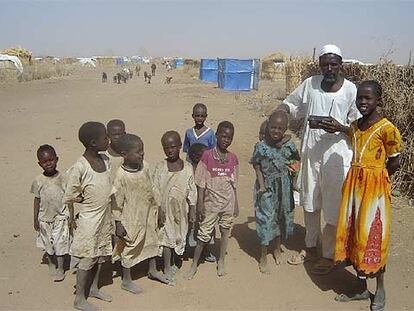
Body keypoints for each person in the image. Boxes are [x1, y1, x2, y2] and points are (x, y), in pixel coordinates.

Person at [279, 44, 360, 275]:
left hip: (337, 157)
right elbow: (292, 103)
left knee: (334, 207)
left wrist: (340, 127)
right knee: (310, 202)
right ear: (320, 65)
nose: (329, 68)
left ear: (341, 65)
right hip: (311, 152)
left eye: (334, 64)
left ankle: (328, 254)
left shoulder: (351, 90)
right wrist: (281, 110)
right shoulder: (311, 84)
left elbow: (359, 127)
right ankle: (310, 247)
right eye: (325, 64)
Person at [333, 81, 401, 311]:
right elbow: (349, 132)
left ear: (378, 101)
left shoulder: (387, 128)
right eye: (360, 98)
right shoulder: (355, 125)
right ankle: (361, 288)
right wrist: (336, 126)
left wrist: (377, 179)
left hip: (374, 191)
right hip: (354, 187)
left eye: (368, 98)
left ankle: (380, 289)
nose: (363, 102)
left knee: (374, 236)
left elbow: (395, 161)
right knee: (354, 233)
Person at [64, 122, 113, 311]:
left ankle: (93, 288)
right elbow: (69, 194)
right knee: (87, 258)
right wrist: (83, 198)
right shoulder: (80, 167)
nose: (108, 140)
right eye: (105, 138)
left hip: (104, 218)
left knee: (101, 255)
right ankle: (79, 299)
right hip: (89, 221)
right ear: (93, 142)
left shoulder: (106, 160)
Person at [112, 134, 169, 294]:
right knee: (131, 246)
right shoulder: (121, 175)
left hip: (148, 213)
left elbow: (152, 188)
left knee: (152, 240)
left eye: (142, 150)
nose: (142, 154)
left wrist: (158, 208)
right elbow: (117, 201)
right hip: (132, 217)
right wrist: (118, 222)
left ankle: (152, 270)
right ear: (124, 154)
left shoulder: (145, 166)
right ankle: (126, 280)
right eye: (138, 151)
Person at [187, 121, 239, 279]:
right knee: (203, 236)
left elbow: (234, 183)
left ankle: (221, 260)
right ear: (216, 135)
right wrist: (200, 204)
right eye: (223, 136)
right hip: (211, 204)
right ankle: (194, 264)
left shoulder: (233, 159)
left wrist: (236, 204)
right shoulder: (207, 156)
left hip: (227, 204)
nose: (226, 140)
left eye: (229, 137)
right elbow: (201, 183)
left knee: (224, 232)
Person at [250, 112, 300, 273]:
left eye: (280, 128)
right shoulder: (262, 147)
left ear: (285, 129)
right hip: (266, 188)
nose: (276, 131)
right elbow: (256, 165)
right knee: (266, 219)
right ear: (267, 127)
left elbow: (296, 159)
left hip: (284, 187)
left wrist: (293, 178)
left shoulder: (289, 146)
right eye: (273, 127)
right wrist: (262, 184)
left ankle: (277, 248)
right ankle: (263, 256)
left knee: (280, 217)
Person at [152, 131, 197, 283]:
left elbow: (191, 190)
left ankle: (174, 261)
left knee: (179, 235)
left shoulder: (187, 167)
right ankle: (166, 267)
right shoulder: (160, 167)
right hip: (165, 211)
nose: (170, 150)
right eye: (166, 147)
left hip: (181, 210)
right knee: (166, 237)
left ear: (179, 146)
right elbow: (155, 189)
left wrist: (192, 209)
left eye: (173, 146)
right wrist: (158, 209)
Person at [31, 144, 71, 282]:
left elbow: (69, 198)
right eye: (45, 162)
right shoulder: (38, 181)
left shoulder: (64, 178)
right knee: (47, 243)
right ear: (40, 163)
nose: (49, 164)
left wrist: (71, 217)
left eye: (51, 160)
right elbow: (37, 200)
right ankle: (51, 262)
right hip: (44, 218)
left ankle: (60, 267)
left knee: (60, 243)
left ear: (57, 159)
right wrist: (35, 219)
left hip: (61, 216)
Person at [186, 143, 216, 262]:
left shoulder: (207, 168)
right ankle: (186, 250)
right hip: (191, 205)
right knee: (190, 228)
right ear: (196, 156)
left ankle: (206, 250)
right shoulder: (189, 169)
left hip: (206, 204)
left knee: (206, 228)